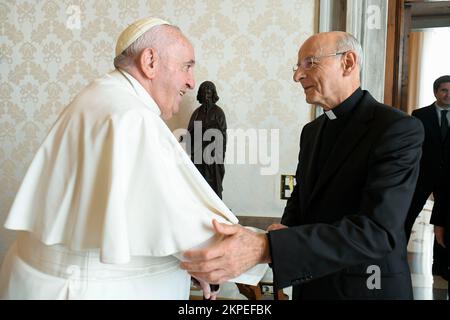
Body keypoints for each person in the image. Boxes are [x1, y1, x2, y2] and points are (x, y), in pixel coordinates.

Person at [0, 17, 241, 300]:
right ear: (150, 61)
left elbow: (150, 209)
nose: (191, 82)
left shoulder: (100, 95)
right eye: (187, 66)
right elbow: (198, 231)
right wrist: (253, 249)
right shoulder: (132, 116)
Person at [181, 31, 425, 300]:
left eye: (309, 63)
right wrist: (280, 232)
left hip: (367, 287)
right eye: (297, 67)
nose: (297, 75)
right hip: (311, 283)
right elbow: (301, 201)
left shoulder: (397, 129)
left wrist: (268, 247)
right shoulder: (312, 131)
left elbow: (377, 232)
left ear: (348, 62)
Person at [405, 75, 450, 283]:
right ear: (435, 92)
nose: (448, 95)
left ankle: (440, 266)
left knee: (445, 221)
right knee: (407, 215)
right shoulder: (420, 115)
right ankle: (396, 257)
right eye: (444, 90)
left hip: (449, 179)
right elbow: (412, 146)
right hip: (423, 175)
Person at [187, 81, 227, 199]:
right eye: (204, 93)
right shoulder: (196, 113)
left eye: (209, 93)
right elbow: (190, 133)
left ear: (213, 94)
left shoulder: (218, 113)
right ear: (200, 95)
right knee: (199, 185)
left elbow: (223, 135)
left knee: (213, 185)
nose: (206, 96)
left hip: (213, 157)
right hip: (198, 156)